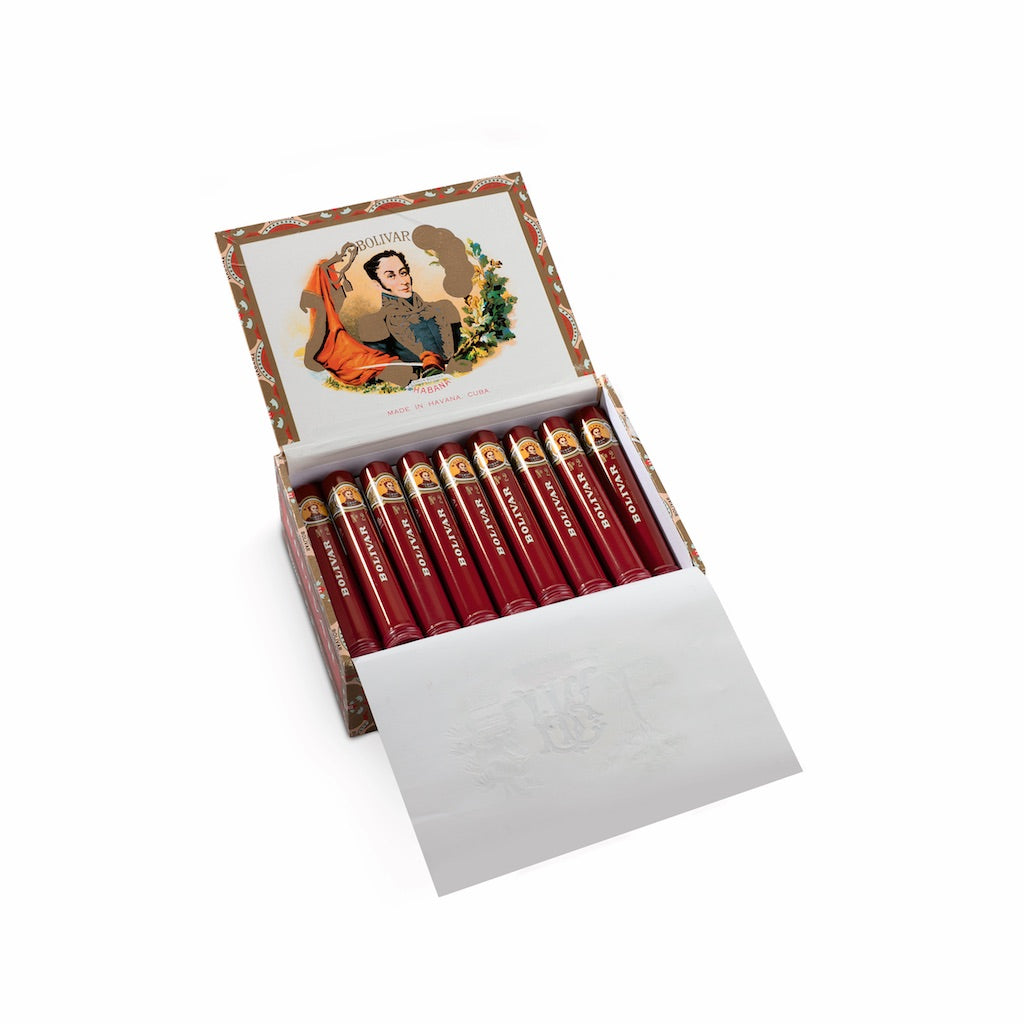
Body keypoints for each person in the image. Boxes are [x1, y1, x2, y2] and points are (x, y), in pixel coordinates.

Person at [357, 251, 462, 378]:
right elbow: (389, 375)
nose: (403, 281)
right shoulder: (374, 323)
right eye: (391, 276)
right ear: (377, 284)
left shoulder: (444, 308)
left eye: (403, 273)